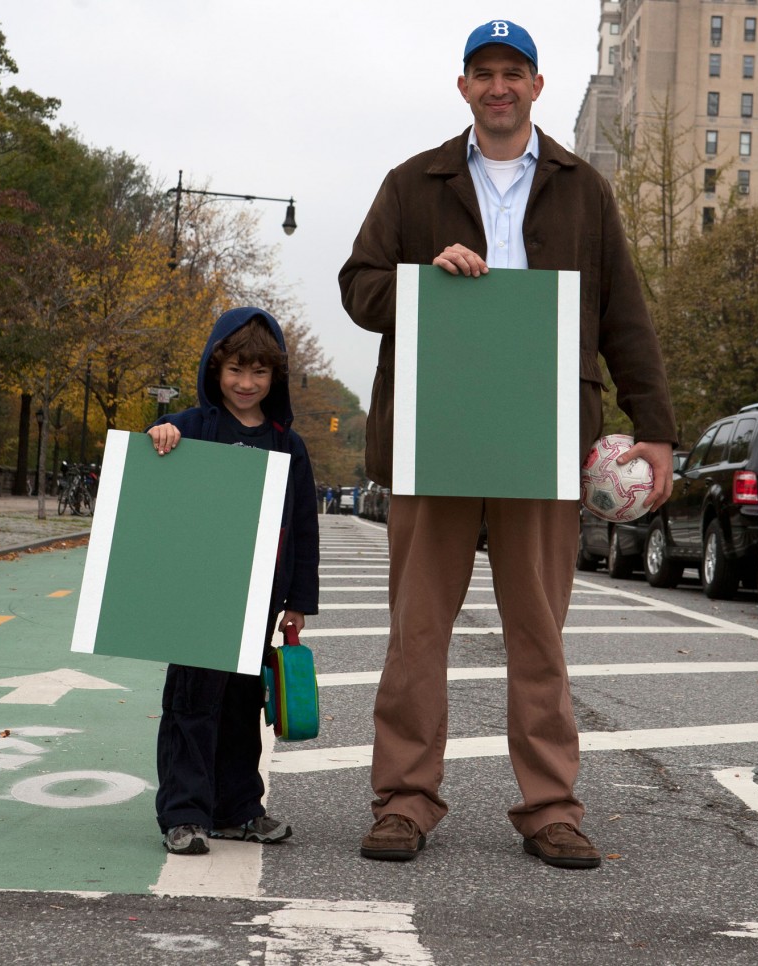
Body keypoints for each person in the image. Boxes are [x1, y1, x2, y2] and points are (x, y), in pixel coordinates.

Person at [338, 20, 677, 869]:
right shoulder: (412, 183)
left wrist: (660, 431)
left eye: (512, 73)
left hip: (544, 432)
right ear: (463, 88)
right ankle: (404, 803)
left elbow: (623, 317)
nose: (498, 87)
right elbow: (357, 287)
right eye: (483, 74)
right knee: (417, 633)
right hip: (436, 432)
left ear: (536, 85)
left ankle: (551, 808)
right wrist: (423, 280)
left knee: (539, 636)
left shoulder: (583, 189)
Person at [146, 307, 320, 855]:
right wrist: (161, 432)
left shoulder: (285, 443)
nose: (246, 384)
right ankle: (184, 813)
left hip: (257, 600)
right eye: (235, 371)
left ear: (276, 378)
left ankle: (239, 808)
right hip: (196, 597)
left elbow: (305, 525)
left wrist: (299, 601)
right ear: (215, 368)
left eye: (260, 373)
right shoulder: (192, 429)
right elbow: (151, 469)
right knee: (191, 706)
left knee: (244, 707)